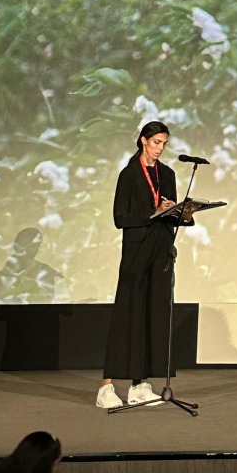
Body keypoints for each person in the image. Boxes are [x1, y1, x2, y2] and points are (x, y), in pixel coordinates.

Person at [96, 121, 192, 409]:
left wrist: (183, 214)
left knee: (154, 316)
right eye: (156, 142)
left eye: (164, 143)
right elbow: (120, 218)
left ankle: (140, 384)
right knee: (128, 314)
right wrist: (154, 211)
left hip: (161, 252)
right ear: (142, 141)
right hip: (137, 253)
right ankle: (107, 387)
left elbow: (170, 214)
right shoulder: (129, 175)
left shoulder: (168, 173)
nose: (160, 148)